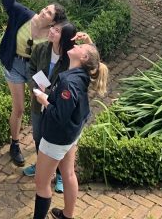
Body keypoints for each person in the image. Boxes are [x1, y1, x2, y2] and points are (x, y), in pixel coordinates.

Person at [31, 33, 109, 219]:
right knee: (68, 173)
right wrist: (51, 94)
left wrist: (44, 100)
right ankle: (67, 215)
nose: (76, 45)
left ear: (83, 58)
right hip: (71, 134)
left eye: (81, 47)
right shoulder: (81, 74)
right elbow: (93, 58)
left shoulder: (69, 82)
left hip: (56, 137)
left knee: (41, 183)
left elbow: (59, 116)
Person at [0, 0, 67, 166]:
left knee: (41, 107)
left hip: (35, 70)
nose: (44, 12)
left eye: (49, 13)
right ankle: (15, 143)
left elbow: (66, 47)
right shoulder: (23, 14)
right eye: (45, 8)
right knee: (19, 108)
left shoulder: (52, 34)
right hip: (15, 65)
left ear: (54, 21)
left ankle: (44, 146)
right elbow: (6, 2)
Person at [25, 21, 76, 193]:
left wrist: (48, 92)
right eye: (52, 28)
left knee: (56, 140)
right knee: (38, 135)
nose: (52, 32)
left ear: (65, 37)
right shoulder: (41, 49)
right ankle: (41, 166)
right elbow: (31, 69)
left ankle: (60, 175)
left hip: (56, 106)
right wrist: (34, 87)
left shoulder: (70, 58)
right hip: (38, 102)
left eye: (57, 30)